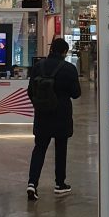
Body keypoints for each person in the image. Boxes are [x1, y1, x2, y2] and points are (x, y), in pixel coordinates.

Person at [26, 37, 81, 200]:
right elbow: (76, 94)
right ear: (64, 52)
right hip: (62, 115)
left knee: (39, 148)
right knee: (61, 148)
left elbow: (30, 91)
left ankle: (32, 183)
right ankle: (60, 184)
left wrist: (40, 104)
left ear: (51, 49)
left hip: (42, 114)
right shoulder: (69, 68)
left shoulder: (38, 66)